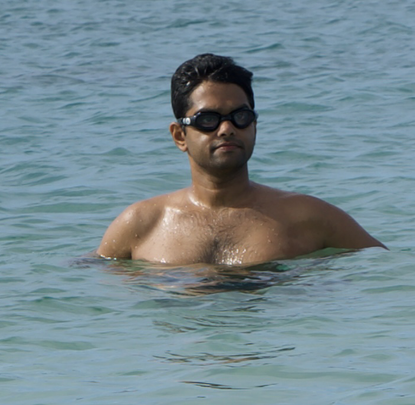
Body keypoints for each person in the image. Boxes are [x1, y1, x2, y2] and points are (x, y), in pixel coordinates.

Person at [98, 53, 384, 266]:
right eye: (208, 119)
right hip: (183, 345)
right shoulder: (142, 224)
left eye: (241, 117)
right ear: (179, 136)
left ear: (255, 125)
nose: (227, 128)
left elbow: (386, 272)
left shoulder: (309, 217)